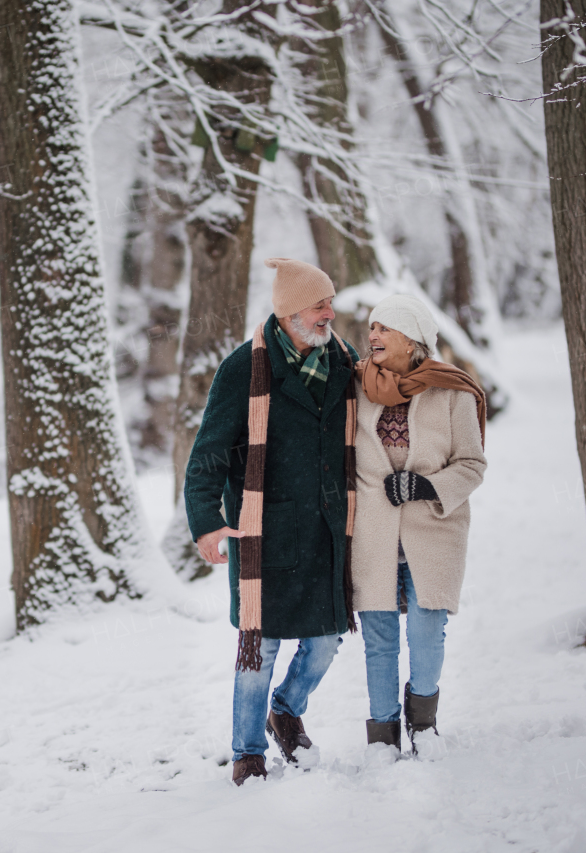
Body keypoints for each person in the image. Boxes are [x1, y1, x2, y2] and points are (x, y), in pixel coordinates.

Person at [184, 258, 359, 785]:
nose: (330, 313)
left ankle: (285, 708)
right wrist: (207, 523)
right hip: (265, 532)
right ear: (288, 311)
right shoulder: (244, 369)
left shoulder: (343, 361)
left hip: (330, 530)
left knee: (327, 639)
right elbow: (207, 455)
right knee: (259, 649)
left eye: (330, 302)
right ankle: (248, 753)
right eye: (319, 304)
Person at [352, 294, 486, 756]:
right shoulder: (357, 386)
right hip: (371, 532)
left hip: (434, 530)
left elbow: (472, 464)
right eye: (371, 329)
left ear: (412, 340)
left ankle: (423, 723)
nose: (373, 336)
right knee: (379, 636)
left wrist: (425, 487)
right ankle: (382, 735)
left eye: (384, 328)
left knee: (427, 630)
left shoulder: (452, 391)